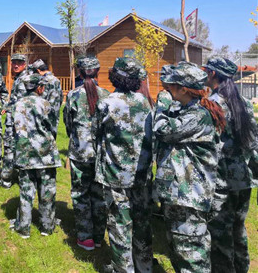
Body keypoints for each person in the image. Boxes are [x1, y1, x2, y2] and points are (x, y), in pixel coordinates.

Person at [154, 62, 225, 273]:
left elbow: (162, 130)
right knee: (179, 251)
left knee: (192, 258)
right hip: (181, 196)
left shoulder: (197, 116)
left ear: (183, 89)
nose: (167, 89)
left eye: (171, 86)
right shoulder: (190, 110)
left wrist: (161, 106)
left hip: (190, 198)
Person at [95, 57, 153, 273]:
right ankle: (144, 266)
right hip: (141, 173)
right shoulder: (144, 101)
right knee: (141, 222)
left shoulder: (106, 103)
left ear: (115, 76)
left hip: (115, 174)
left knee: (119, 223)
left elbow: (95, 134)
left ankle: (122, 269)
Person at [204, 57, 258, 273]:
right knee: (238, 229)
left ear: (213, 74)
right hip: (243, 178)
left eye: (206, 70)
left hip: (221, 181)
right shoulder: (242, 101)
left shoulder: (213, 104)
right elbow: (253, 139)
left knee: (220, 234)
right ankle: (242, 267)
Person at [63, 56, 109, 251]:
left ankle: (85, 238)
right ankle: (98, 237)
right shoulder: (107, 95)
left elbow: (67, 123)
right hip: (101, 154)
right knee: (99, 196)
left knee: (81, 194)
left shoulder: (73, 96)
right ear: (97, 72)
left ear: (80, 73)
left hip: (79, 152)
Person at [10, 74, 61, 239]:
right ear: (39, 88)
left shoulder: (17, 105)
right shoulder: (45, 104)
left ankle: (24, 227)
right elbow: (52, 127)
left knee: (26, 191)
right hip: (45, 154)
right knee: (47, 191)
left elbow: (14, 130)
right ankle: (47, 226)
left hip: (25, 153)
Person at [0, 53, 30, 189]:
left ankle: (6, 180)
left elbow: (21, 103)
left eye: (19, 63)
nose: (16, 65)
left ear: (24, 64)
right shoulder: (20, 78)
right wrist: (7, 106)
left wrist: (11, 110)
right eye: (14, 62)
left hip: (17, 122)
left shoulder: (24, 80)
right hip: (20, 122)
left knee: (10, 149)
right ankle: (23, 179)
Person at [32, 59, 63, 139]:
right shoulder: (56, 80)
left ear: (38, 71)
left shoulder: (43, 81)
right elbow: (61, 97)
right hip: (55, 114)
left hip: (44, 114)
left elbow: (40, 99)